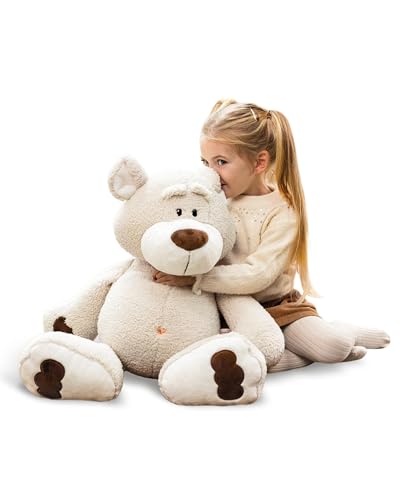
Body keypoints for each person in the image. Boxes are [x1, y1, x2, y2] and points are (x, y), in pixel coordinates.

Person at [152, 99, 390, 370]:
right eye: (205, 162)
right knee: (210, 352)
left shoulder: (282, 211)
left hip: (278, 308)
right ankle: (280, 353)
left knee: (333, 347)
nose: (211, 173)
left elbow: (258, 275)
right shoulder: (212, 201)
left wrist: (196, 278)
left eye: (221, 162)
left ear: (259, 162)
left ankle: (343, 331)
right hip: (228, 308)